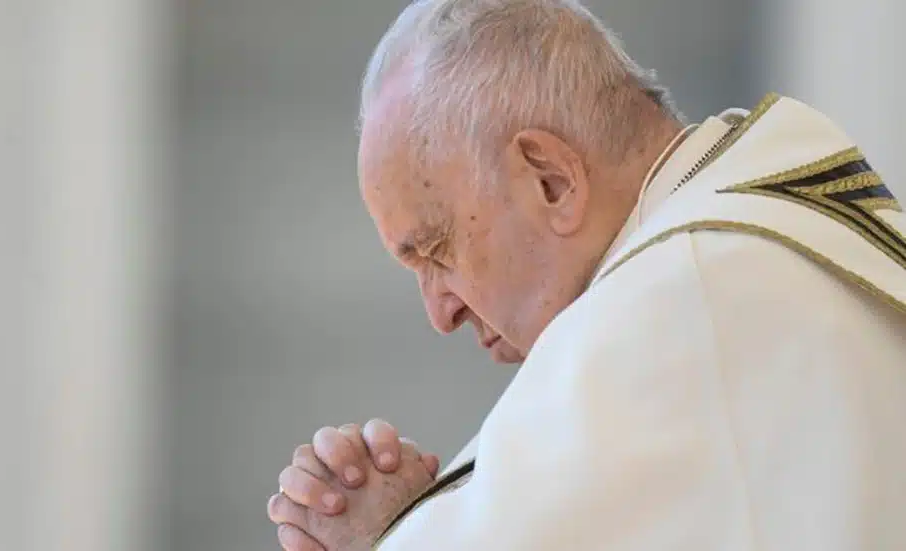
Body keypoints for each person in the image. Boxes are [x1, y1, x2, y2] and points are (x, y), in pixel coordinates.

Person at [267, 0, 906, 549]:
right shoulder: (750, 235)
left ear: (550, 179)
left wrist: (395, 533)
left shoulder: (685, 296)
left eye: (437, 251)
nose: (440, 313)